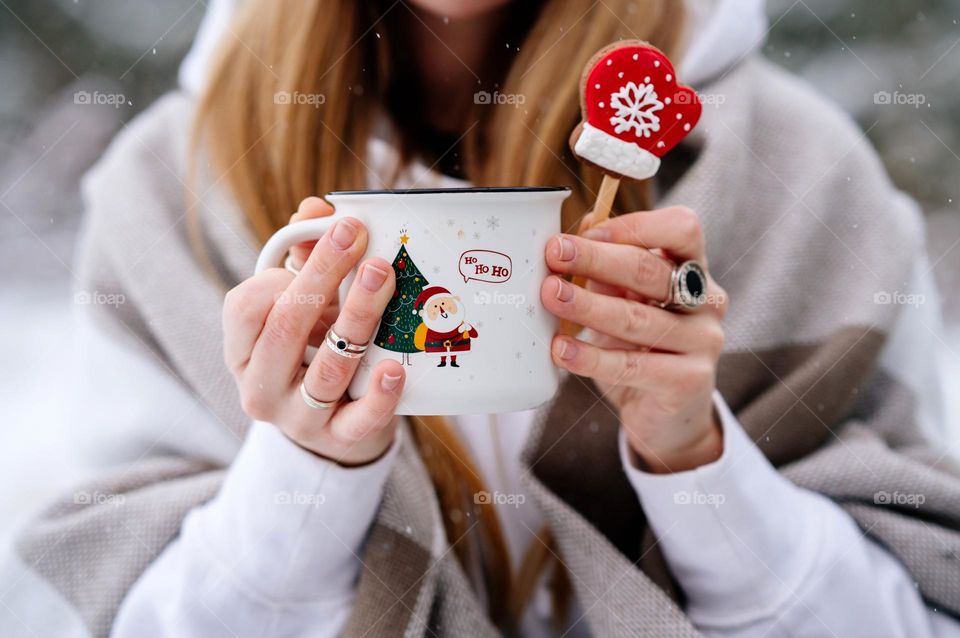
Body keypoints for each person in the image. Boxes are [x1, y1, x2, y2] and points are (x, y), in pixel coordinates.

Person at [7, 0, 960, 636]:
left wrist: (695, 461)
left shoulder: (805, 170)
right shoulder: (166, 185)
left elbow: (920, 609)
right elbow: (93, 610)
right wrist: (303, 476)